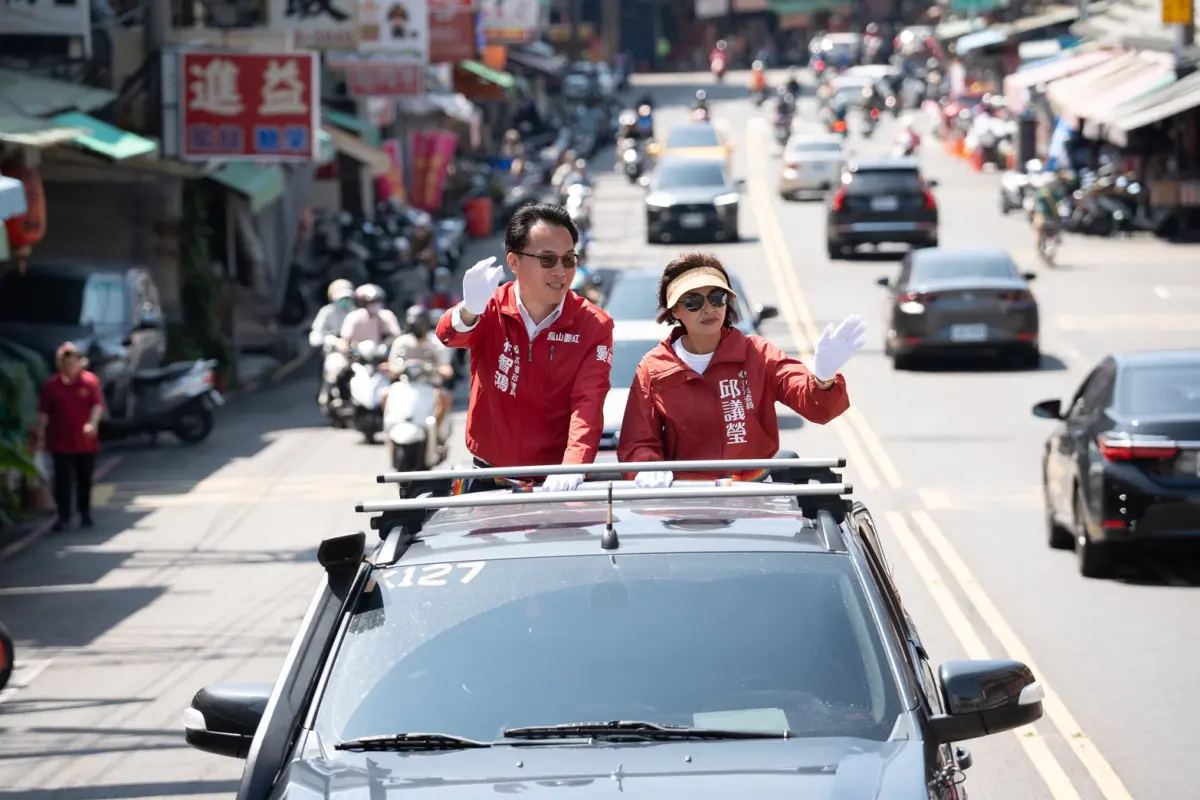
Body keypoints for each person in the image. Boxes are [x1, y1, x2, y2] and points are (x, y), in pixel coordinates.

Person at [618, 253, 866, 486]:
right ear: (675, 310)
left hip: (755, 495)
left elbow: (815, 405)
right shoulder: (654, 368)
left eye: (717, 298)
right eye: (694, 301)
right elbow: (637, 441)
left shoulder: (758, 353)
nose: (708, 308)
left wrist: (823, 379)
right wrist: (647, 467)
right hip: (689, 499)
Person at [435, 203, 614, 490]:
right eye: (547, 260)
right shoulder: (489, 306)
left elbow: (588, 405)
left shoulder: (594, 324)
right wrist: (469, 309)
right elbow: (448, 336)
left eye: (569, 260)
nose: (561, 272)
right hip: (489, 475)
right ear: (514, 262)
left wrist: (573, 467)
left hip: (556, 481)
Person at [35, 342, 105, 531]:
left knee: (84, 479)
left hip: (85, 441)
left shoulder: (89, 381)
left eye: (73, 362)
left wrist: (92, 423)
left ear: (79, 362)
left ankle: (85, 513)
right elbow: (44, 413)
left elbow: (97, 405)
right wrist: (40, 435)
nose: (70, 367)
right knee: (62, 480)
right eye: (66, 363)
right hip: (60, 441)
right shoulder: (52, 386)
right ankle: (63, 516)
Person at [390, 306, 454, 431]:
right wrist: (399, 368)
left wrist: (432, 368)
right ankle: (391, 428)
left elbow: (446, 368)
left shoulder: (436, 343)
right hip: (406, 385)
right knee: (385, 395)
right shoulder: (401, 343)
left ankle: (436, 431)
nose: (417, 328)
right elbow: (392, 367)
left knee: (445, 398)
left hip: (430, 386)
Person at [335, 284, 401, 401]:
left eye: (377, 302)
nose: (375, 306)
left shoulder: (386, 316)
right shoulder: (354, 318)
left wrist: (389, 344)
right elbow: (344, 339)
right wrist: (345, 349)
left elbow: (396, 335)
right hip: (357, 358)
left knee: (398, 374)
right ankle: (343, 399)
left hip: (381, 358)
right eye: (371, 303)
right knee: (340, 370)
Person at [310, 279, 356, 404]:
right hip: (334, 351)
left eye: (347, 297)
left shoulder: (356, 312)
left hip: (354, 351)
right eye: (341, 298)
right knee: (333, 367)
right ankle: (327, 392)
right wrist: (332, 341)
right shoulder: (327, 312)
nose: (344, 301)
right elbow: (316, 334)